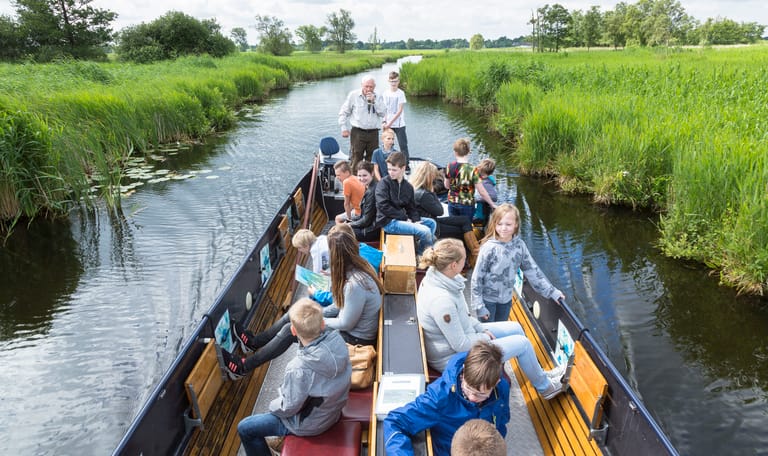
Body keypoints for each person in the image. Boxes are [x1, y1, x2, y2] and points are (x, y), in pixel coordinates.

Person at [417, 238, 566, 399]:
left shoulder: (440, 278)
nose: (466, 263)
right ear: (454, 265)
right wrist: (484, 337)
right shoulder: (442, 301)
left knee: (516, 327)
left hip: (462, 339)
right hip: (451, 359)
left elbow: (463, 317)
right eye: (464, 260)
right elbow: (460, 345)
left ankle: (540, 374)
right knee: (523, 344)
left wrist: (481, 328)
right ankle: (546, 388)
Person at [225, 229, 384, 376]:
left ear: (338, 256)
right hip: (349, 325)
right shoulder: (359, 267)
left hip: (355, 338)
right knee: (295, 312)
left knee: (290, 330)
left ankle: (243, 367)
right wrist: (307, 315)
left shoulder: (354, 284)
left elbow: (345, 323)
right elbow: (341, 304)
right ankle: (254, 342)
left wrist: (313, 321)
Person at [236, 298, 351, 456]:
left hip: (310, 424)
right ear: (323, 324)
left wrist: (274, 403)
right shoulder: (339, 341)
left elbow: (287, 408)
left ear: (293, 331)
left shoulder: (298, 368)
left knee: (245, 427)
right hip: (332, 413)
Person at [383, 341, 510, 456]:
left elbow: (501, 421)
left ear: (496, 383)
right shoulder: (440, 397)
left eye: (480, 394)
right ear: (463, 372)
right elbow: (395, 421)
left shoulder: (502, 388)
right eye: (468, 388)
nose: (472, 397)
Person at [472, 203, 565, 322]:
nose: (503, 228)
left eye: (508, 224)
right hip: (487, 301)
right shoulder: (489, 248)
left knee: (500, 332)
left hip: (506, 301)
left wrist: (552, 292)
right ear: (494, 224)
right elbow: (477, 278)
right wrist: (479, 306)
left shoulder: (520, 246)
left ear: (516, 225)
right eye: (499, 224)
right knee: (488, 335)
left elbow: (532, 270)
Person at [411, 161, 480, 267]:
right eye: (433, 177)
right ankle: (465, 263)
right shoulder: (424, 195)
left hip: (429, 220)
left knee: (465, 220)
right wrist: (432, 191)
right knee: (461, 230)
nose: (434, 179)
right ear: (429, 177)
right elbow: (440, 211)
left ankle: (474, 253)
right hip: (432, 227)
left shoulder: (415, 189)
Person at [374, 151, 436, 255]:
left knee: (431, 223)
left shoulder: (408, 187)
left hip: (402, 219)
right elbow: (383, 206)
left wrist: (416, 220)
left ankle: (420, 249)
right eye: (389, 169)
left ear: (403, 168)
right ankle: (421, 256)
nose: (390, 172)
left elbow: (411, 208)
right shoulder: (383, 184)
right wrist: (405, 218)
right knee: (425, 231)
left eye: (394, 170)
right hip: (388, 222)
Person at [338, 74, 386, 173]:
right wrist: (343, 128)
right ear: (361, 85)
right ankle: (355, 182)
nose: (368, 89)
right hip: (358, 132)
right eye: (366, 86)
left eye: (371, 87)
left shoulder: (378, 96)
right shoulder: (353, 95)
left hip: (373, 132)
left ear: (374, 86)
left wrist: (374, 101)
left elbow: (383, 113)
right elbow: (344, 112)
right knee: (356, 158)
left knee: (372, 159)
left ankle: (369, 184)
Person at [445, 138, 496, 220]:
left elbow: (447, 186)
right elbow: (482, 191)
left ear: (455, 152)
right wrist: (492, 204)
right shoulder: (473, 169)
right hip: (467, 204)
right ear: (468, 152)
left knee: (454, 226)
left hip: (452, 202)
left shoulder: (449, 166)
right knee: (466, 227)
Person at [347, 160, 380, 242]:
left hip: (372, 230)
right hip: (372, 225)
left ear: (372, 173)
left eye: (365, 175)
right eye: (359, 176)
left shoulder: (372, 192)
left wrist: (349, 225)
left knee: (342, 233)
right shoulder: (372, 186)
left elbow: (366, 221)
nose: (361, 179)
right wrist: (351, 223)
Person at [382, 71, 409, 164]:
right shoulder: (385, 93)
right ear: (389, 81)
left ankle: (406, 165)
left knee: (403, 145)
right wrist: (384, 122)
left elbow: (400, 110)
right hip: (388, 124)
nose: (393, 83)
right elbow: (384, 109)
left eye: (395, 81)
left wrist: (390, 123)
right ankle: (388, 163)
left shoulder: (400, 93)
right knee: (387, 145)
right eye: (392, 81)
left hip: (399, 125)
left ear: (398, 81)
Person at [333, 160, 365, 224]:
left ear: (347, 173)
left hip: (359, 212)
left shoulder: (346, 182)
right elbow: (351, 204)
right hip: (364, 210)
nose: (337, 178)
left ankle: (343, 232)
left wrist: (348, 219)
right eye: (336, 175)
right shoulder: (355, 178)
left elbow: (346, 204)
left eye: (339, 175)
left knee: (338, 218)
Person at [473, 158, 498, 225]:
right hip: (483, 208)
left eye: (482, 173)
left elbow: (494, 197)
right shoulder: (487, 178)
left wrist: (477, 199)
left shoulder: (486, 182)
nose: (480, 175)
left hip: (481, 211)